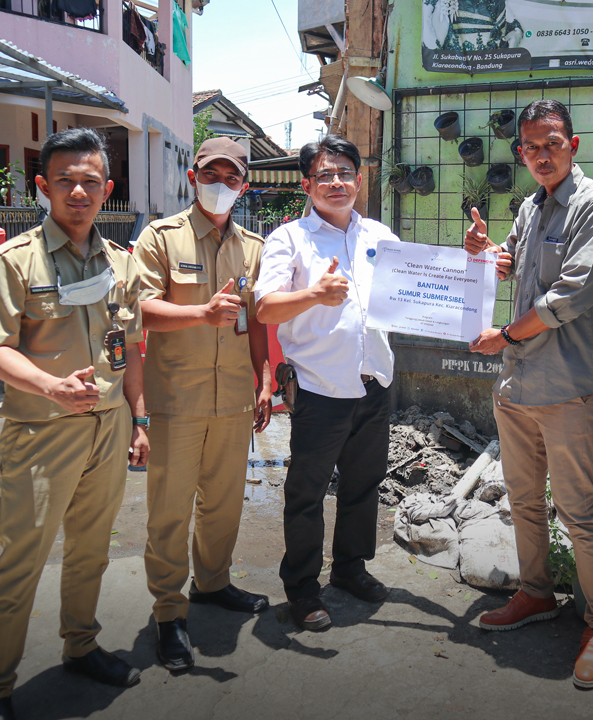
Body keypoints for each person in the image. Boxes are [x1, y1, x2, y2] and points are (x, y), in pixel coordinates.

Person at [0, 128, 148, 720]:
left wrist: (137, 419)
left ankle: (82, 646)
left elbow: (128, 348)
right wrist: (48, 385)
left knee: (92, 551)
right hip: (41, 436)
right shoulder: (12, 261)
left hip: (109, 429)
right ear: (43, 185)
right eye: (65, 180)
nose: (78, 191)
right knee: (21, 561)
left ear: (107, 189)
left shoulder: (121, 264)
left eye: (90, 181)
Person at [466, 99, 593, 689]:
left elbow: (571, 296)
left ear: (574, 144)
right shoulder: (531, 207)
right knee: (523, 498)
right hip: (517, 382)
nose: (541, 155)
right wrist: (489, 257)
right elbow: (516, 268)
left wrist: (504, 333)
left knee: (577, 509)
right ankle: (536, 592)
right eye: (530, 146)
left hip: (568, 388)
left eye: (551, 143)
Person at [133, 137, 272, 671]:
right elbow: (140, 310)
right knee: (169, 511)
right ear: (193, 178)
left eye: (232, 178)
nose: (222, 185)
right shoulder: (160, 238)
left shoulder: (252, 247)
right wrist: (199, 315)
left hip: (234, 399)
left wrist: (263, 378)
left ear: (243, 185)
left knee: (223, 502)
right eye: (212, 175)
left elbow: (254, 318)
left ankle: (212, 584)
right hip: (176, 401)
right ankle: (170, 612)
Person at [255, 135, 396, 631]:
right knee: (307, 491)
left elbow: (420, 292)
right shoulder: (289, 239)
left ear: (360, 179)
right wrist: (313, 294)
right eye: (324, 175)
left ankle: (351, 569)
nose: (336, 182)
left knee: (363, 484)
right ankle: (302, 587)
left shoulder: (381, 236)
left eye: (344, 173)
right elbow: (265, 306)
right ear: (306, 184)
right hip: (319, 387)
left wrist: (475, 267)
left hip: (373, 381)